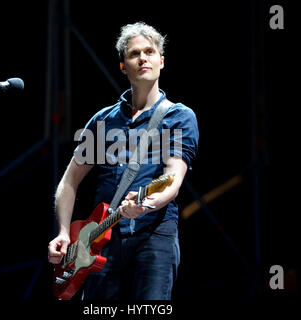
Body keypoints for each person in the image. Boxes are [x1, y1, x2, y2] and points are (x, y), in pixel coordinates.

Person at [48, 22, 199, 300]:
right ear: (123, 66)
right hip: (100, 244)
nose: (143, 58)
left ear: (161, 61)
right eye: (134, 54)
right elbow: (69, 181)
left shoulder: (178, 117)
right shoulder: (104, 121)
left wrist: (146, 205)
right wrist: (62, 232)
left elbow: (173, 180)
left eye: (150, 52)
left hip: (153, 237)